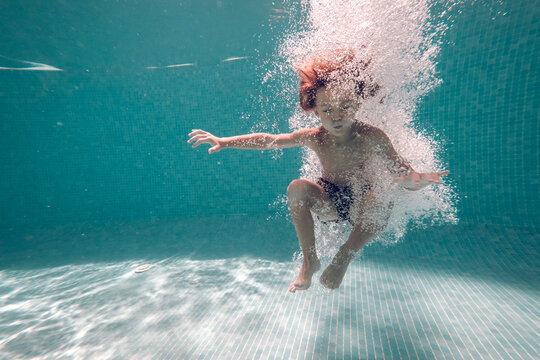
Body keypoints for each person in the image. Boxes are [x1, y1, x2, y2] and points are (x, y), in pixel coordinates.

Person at [188, 49, 448, 293]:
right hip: (331, 200)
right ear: (315, 111)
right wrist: (225, 141)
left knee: (381, 195)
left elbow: (403, 174)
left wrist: (420, 181)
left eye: (344, 107)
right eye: (327, 110)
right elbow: (270, 140)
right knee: (297, 188)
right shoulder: (315, 137)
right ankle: (309, 261)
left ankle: (344, 255)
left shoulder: (373, 137)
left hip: (364, 206)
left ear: (357, 104)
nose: (336, 116)